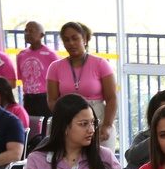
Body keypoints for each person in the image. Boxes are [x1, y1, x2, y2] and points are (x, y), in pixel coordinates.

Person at [47, 22, 117, 150]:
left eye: (75, 38)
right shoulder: (55, 67)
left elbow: (112, 98)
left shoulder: (100, 63)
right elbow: (52, 100)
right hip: (67, 122)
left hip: (98, 121)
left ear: (84, 39)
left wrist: (107, 125)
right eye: (66, 40)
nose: (71, 43)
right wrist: (64, 118)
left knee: (102, 164)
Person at [16, 20, 59, 120]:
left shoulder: (50, 54)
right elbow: (22, 77)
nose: (27, 34)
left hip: (45, 98)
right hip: (28, 98)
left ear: (41, 35)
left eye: (31, 31)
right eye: (26, 31)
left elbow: (58, 80)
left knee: (46, 127)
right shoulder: (21, 55)